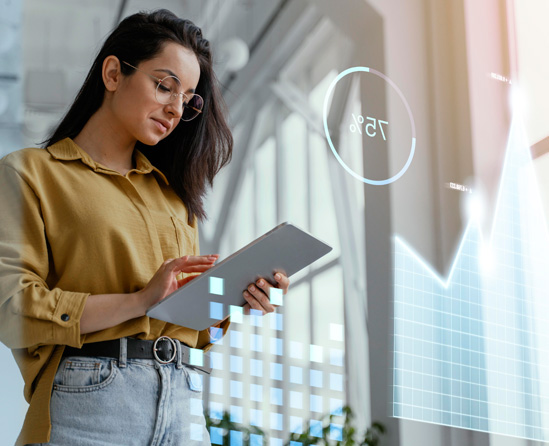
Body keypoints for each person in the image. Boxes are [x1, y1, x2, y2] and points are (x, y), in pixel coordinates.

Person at [0, 9, 290, 446]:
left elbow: (184, 325)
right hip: (91, 402)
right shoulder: (31, 173)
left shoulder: (175, 199)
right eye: (164, 85)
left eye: (189, 98)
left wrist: (233, 298)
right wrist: (138, 301)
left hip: (185, 400)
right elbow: (11, 307)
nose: (176, 108)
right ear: (114, 73)